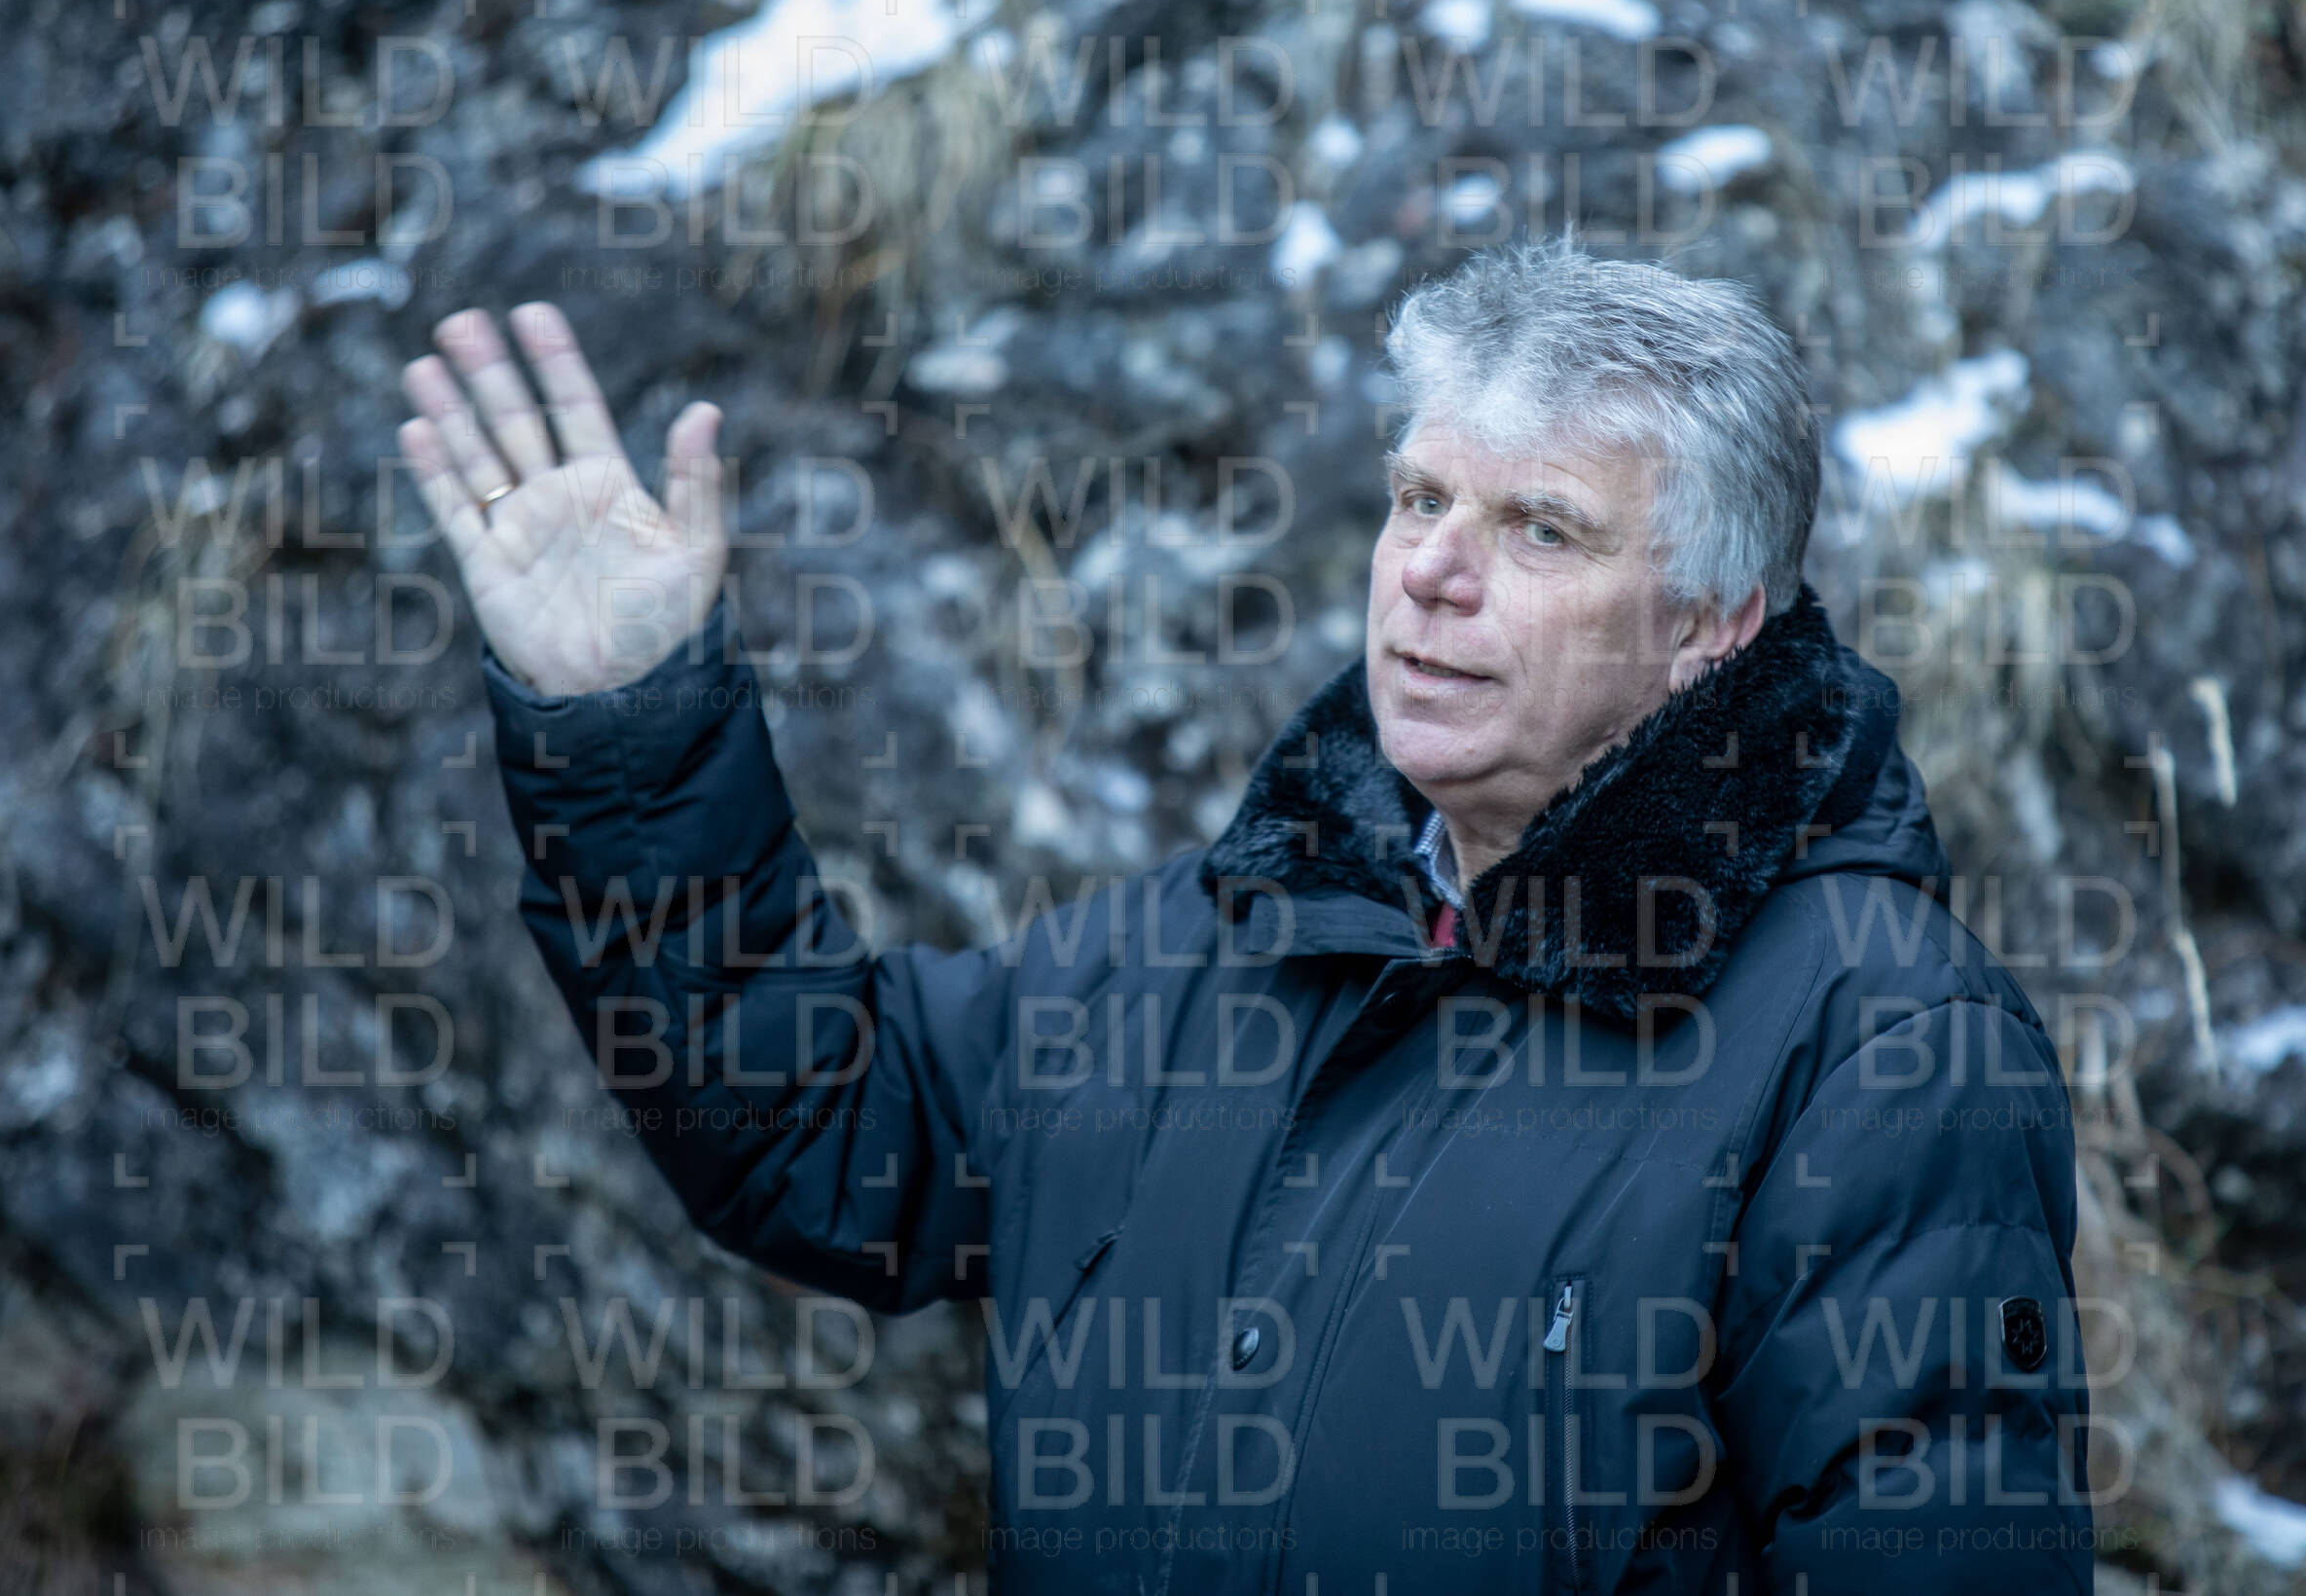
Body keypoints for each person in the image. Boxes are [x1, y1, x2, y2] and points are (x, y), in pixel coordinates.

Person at [398, 233, 2095, 1594]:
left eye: (1540, 528)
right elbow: (815, 1124)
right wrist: (632, 726)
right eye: (1421, 497)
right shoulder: (1219, 941)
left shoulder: (1877, 1042)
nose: (1432, 570)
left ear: (1712, 623)